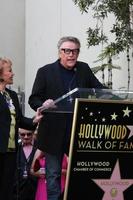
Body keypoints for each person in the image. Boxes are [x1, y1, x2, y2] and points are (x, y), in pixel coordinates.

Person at [28, 36, 106, 200]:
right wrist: (43, 104)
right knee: (53, 175)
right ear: (60, 52)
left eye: (75, 51)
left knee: (81, 173)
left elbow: (98, 89)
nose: (71, 55)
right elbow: (33, 98)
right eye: (67, 51)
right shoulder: (45, 71)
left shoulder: (83, 68)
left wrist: (116, 97)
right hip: (53, 133)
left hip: (77, 130)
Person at [0, 57, 42, 200]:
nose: (12, 74)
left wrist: (34, 120)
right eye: (9, 71)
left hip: (10, 150)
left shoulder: (11, 95)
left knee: (7, 188)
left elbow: (20, 120)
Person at [13, 128, 38, 200]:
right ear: (19, 134)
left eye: (29, 134)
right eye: (23, 134)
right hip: (17, 191)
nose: (26, 137)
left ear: (33, 133)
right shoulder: (16, 147)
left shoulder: (39, 147)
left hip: (35, 189)